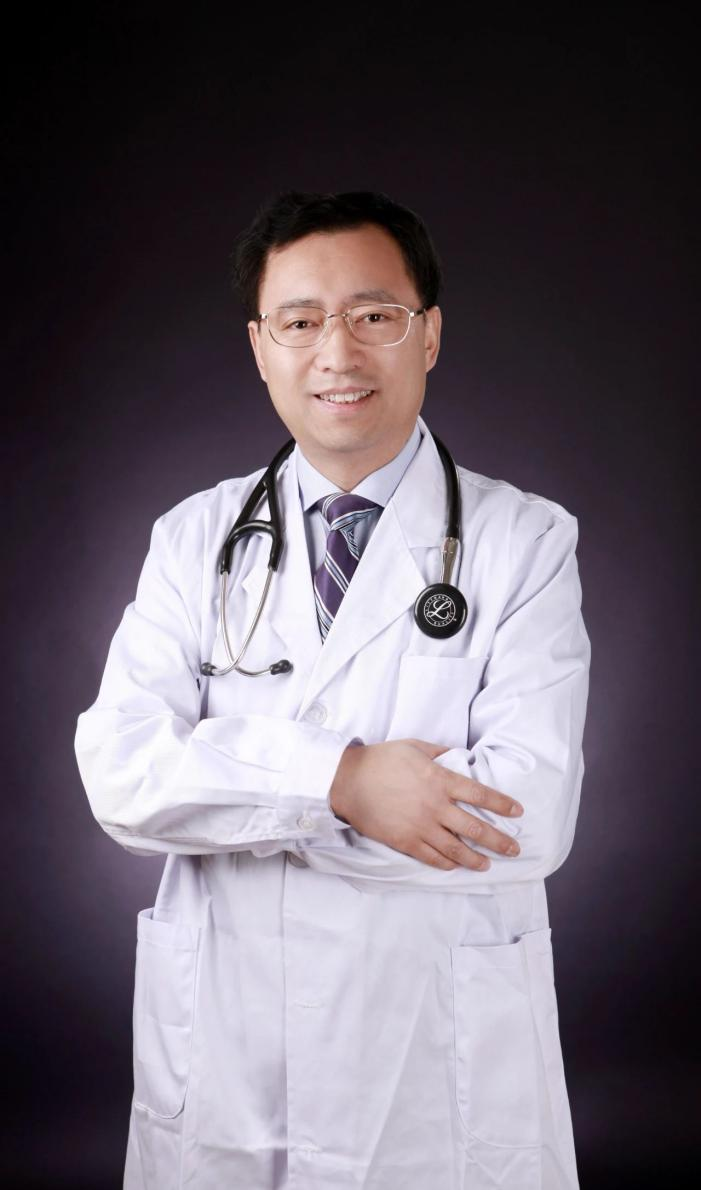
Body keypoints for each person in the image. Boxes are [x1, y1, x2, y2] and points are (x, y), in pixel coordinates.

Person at [74, 189, 591, 1190]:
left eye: (373, 315)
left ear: (427, 333)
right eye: (300, 321)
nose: (337, 353)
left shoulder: (523, 540)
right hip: (231, 1066)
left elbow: (526, 817)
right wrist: (342, 782)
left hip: (433, 1069)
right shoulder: (192, 539)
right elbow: (121, 775)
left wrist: (233, 795)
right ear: (260, 347)